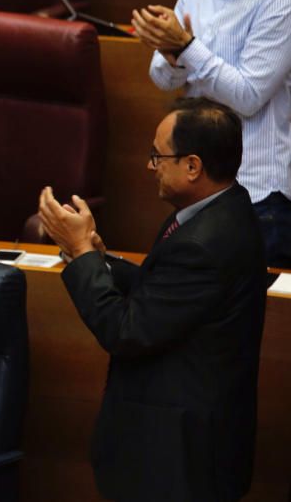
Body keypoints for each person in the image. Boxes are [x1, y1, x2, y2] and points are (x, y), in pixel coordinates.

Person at [38, 97, 268, 502]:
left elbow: (124, 330)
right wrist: (92, 255)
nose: (150, 166)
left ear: (193, 166)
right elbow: (160, 286)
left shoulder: (204, 242)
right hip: (188, 443)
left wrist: (83, 256)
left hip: (178, 460)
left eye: (158, 156)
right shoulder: (220, 211)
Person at [135, 0, 291, 269]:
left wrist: (185, 46)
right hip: (194, 191)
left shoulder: (280, 0)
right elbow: (162, 77)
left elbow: (248, 97)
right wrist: (171, 53)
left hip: (257, 196)